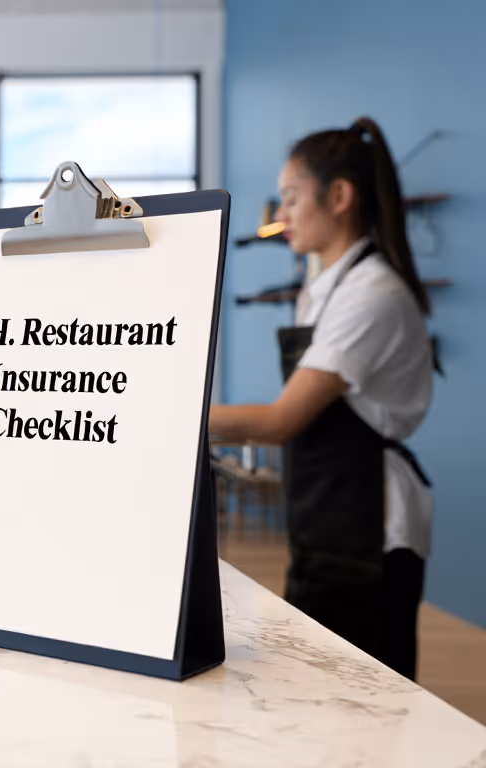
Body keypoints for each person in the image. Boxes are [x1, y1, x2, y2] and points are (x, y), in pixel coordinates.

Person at [209, 117, 434, 680]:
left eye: (289, 198)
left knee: (363, 707)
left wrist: (171, 415)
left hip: (367, 530)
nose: (279, 215)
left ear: (338, 196)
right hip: (324, 518)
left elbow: (283, 419)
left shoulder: (373, 295)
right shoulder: (324, 288)